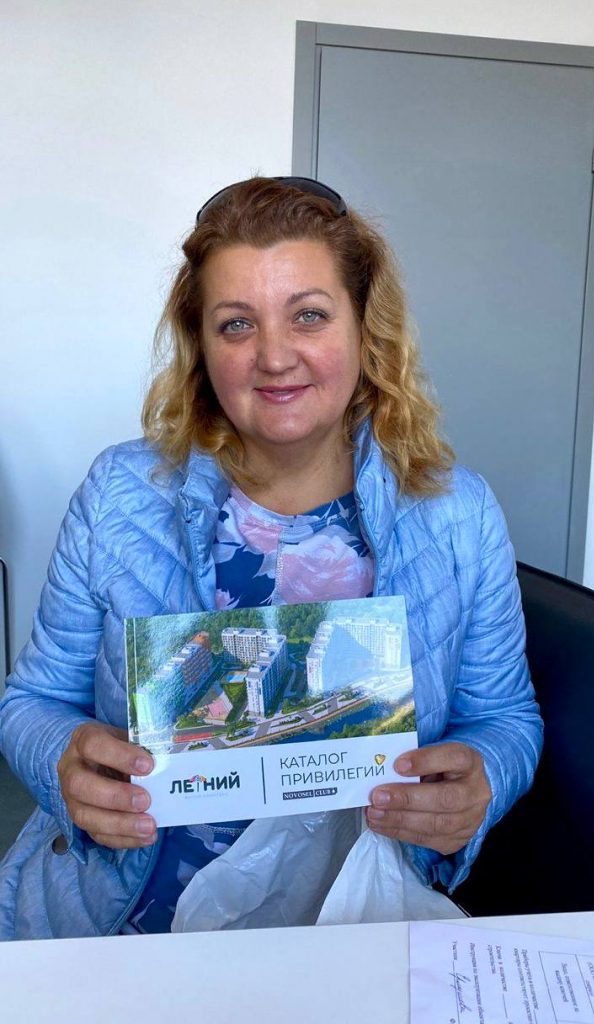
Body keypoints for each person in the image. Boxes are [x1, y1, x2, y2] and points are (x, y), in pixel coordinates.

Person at [0, 176, 542, 940]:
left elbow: (503, 718)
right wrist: (62, 761)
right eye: (236, 325)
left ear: (364, 328)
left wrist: (482, 781)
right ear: (201, 345)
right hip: (123, 921)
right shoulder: (121, 495)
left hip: (354, 924)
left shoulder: (456, 513)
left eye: (308, 315)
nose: (275, 356)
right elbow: (31, 701)